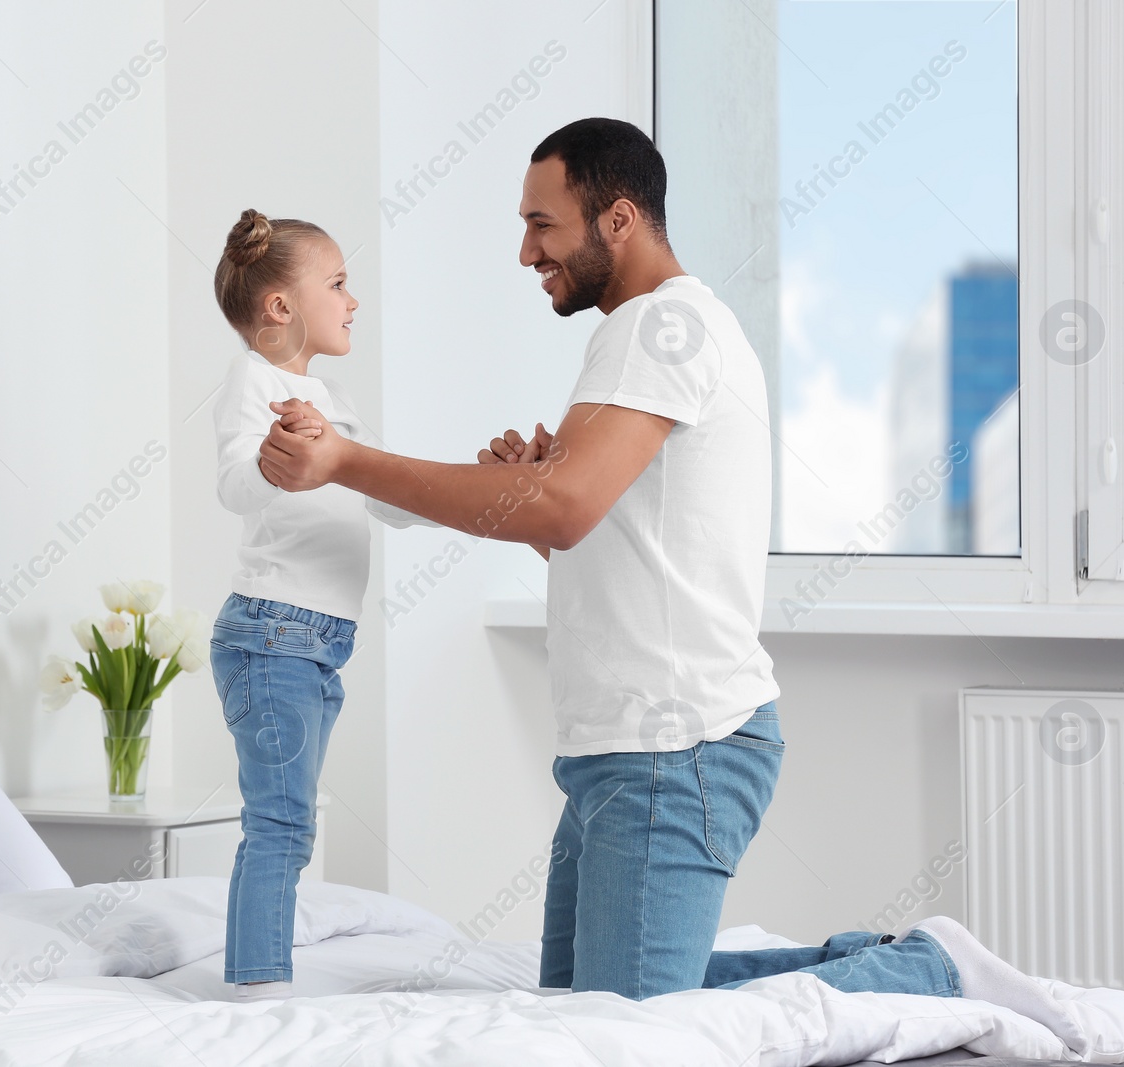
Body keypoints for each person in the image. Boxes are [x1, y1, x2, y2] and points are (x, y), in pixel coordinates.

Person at [254, 120, 1073, 1037]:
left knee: (626, 1037)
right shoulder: (642, 333)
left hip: (670, 751)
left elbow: (563, 507)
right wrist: (523, 492)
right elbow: (583, 530)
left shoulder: (664, 325)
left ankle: (924, 971)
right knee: (582, 1011)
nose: (526, 251)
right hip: (621, 752)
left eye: (542, 224)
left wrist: (345, 460)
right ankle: (897, 960)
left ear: (618, 219)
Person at [207, 207, 438, 1001]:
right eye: (338, 284)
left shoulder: (329, 393)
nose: (353, 300)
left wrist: (477, 478)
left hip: (313, 641)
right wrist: (280, 460)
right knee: (282, 821)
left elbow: (391, 498)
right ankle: (255, 992)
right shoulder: (256, 383)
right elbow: (234, 483)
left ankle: (257, 975)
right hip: (272, 633)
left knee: (291, 819)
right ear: (280, 307)